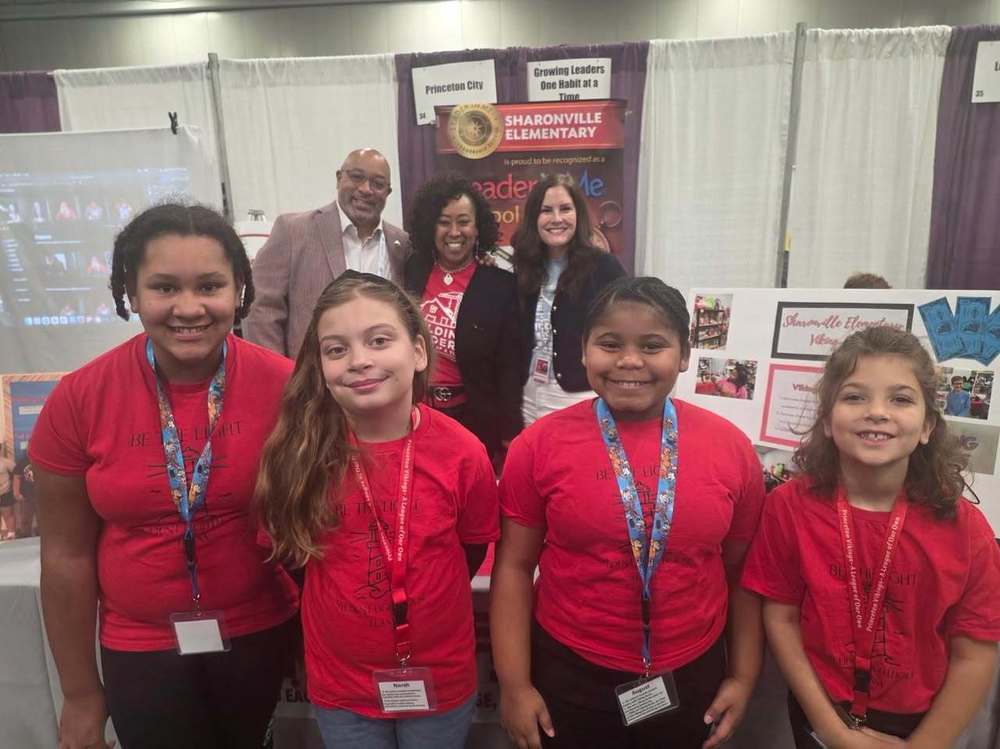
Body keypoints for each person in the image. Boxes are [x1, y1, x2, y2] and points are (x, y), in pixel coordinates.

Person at [29, 204, 299, 749]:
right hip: (140, 646)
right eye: (164, 288)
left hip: (260, 633)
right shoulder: (79, 400)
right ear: (131, 292)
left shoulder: (290, 389)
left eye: (209, 286)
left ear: (240, 289)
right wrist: (81, 695)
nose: (188, 308)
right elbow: (65, 556)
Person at [491, 276, 765, 749]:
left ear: (683, 354)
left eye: (653, 345)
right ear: (583, 351)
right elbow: (514, 568)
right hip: (569, 672)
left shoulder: (732, 450)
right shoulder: (538, 446)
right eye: (610, 344)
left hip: (692, 672)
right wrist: (515, 686)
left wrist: (742, 678)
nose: (630, 361)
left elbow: (740, 575)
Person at [255, 272, 499, 749]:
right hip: (344, 688)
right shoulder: (298, 454)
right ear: (320, 366)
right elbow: (293, 562)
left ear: (419, 352)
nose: (360, 361)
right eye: (336, 349)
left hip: (440, 682)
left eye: (379, 340)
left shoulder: (463, 452)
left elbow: (468, 553)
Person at [741, 326, 1000, 748]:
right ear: (827, 421)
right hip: (818, 711)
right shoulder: (788, 506)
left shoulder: (966, 529)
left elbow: (976, 652)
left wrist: (925, 746)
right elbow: (781, 616)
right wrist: (831, 730)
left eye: (900, 399)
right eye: (854, 396)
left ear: (927, 427)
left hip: (922, 724)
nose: (876, 412)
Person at [246, 148, 412, 359]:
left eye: (378, 184)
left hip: (380, 379)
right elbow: (263, 312)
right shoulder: (292, 231)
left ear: (388, 193)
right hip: (310, 382)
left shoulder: (401, 244)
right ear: (338, 178)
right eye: (356, 177)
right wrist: (279, 377)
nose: (366, 189)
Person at [402, 175, 523, 465]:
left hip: (474, 419)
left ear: (478, 226)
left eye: (464, 221)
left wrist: (509, 431)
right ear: (431, 226)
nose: (454, 231)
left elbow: (510, 367)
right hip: (415, 414)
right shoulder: (414, 270)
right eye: (444, 221)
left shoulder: (500, 285)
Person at [513, 174, 626, 425]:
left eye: (565, 209)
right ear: (534, 218)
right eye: (546, 210)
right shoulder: (525, 267)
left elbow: (624, 330)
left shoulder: (603, 266)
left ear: (578, 215)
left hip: (578, 394)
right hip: (529, 394)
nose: (556, 219)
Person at [13, 452, 37, 538]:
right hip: (26, 495)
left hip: (41, 495)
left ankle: (42, 534)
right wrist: (16, 492)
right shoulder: (22, 462)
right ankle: (25, 536)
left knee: (44, 519)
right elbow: (16, 477)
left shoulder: (43, 460)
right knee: (25, 519)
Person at [0, 443, 16, 540]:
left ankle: (11, 534)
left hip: (5, 492)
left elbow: (17, 474)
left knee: (8, 514)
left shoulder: (6, 462)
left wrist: (14, 489)